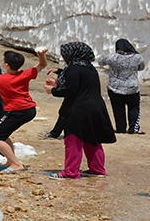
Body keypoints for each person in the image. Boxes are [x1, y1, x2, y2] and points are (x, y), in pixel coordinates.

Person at [0, 49, 48, 173]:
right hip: (29, 109)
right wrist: (41, 55)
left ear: (6, 65)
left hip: (18, 111)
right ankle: (10, 161)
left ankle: (16, 164)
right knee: (3, 135)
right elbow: (42, 65)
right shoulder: (25, 74)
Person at [44, 42, 116, 179]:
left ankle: (70, 172)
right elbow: (78, 80)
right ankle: (97, 169)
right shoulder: (88, 67)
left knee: (73, 140)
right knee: (92, 140)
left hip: (79, 109)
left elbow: (70, 89)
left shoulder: (74, 68)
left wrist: (52, 90)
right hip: (95, 107)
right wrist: (59, 73)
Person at [98, 39, 146, 134]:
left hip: (114, 87)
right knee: (134, 108)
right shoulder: (137, 57)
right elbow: (141, 68)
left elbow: (100, 62)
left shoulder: (112, 57)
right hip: (132, 87)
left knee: (118, 109)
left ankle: (121, 129)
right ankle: (133, 128)